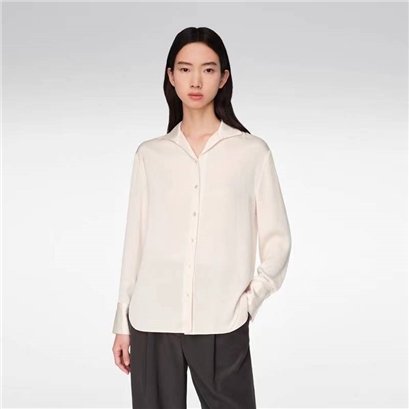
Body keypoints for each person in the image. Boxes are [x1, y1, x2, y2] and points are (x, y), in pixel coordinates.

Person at [112, 26, 292, 409]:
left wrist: (250, 301)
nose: (196, 81)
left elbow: (278, 242)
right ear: (171, 75)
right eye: (185, 69)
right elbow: (135, 242)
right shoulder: (150, 155)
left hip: (222, 318)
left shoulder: (252, 153)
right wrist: (121, 322)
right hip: (152, 318)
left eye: (208, 69)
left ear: (223, 77)